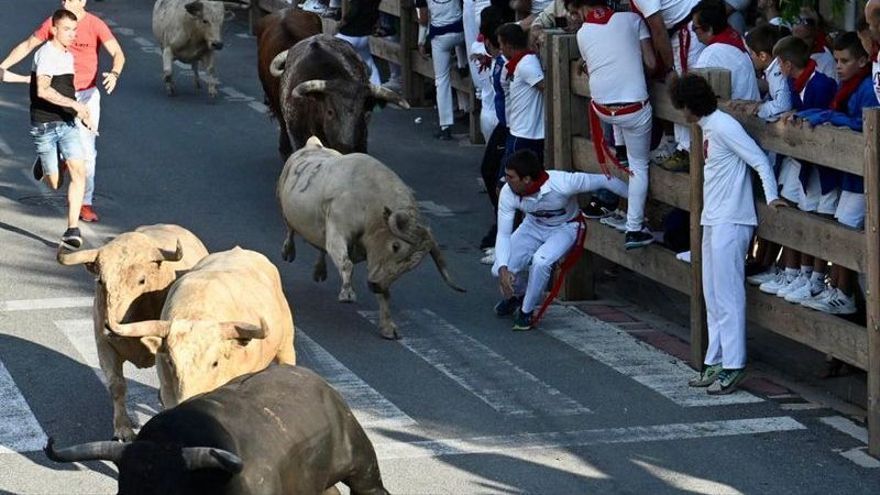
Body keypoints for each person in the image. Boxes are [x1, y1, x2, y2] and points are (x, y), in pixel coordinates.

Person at [670, 74, 786, 395]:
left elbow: (759, 160)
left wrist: (772, 196)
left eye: (682, 107)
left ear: (691, 106)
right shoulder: (709, 126)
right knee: (712, 292)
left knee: (729, 293)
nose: (682, 114)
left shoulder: (723, 126)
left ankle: (734, 364)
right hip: (714, 219)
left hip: (733, 220)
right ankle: (715, 360)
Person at [1, 0, 125, 224]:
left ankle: (84, 204)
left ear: (83, 1)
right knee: (59, 165)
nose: (67, 2)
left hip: (86, 95)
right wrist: (3, 66)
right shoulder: (55, 22)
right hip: (58, 96)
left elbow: (118, 52)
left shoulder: (95, 24)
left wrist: (114, 73)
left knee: (88, 151)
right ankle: (53, 156)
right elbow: (29, 44)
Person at [492, 150, 629, 330]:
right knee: (498, 269)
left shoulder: (563, 183)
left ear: (526, 179)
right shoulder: (508, 193)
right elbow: (503, 234)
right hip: (532, 225)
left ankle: (526, 312)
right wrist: (503, 269)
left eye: (510, 176)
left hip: (565, 227)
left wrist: (636, 202)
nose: (505, 180)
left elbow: (605, 180)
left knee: (541, 262)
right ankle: (518, 296)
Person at [794, 32, 879, 314]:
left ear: (863, 60)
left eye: (845, 60)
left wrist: (828, 117)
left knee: (846, 233)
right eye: (837, 60)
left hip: (861, 178)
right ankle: (839, 290)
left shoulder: (867, 87)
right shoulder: (849, 86)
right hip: (850, 175)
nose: (839, 66)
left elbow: (864, 124)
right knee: (843, 233)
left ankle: (843, 293)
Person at [566, 0, 656, 250]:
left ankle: (620, 147)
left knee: (615, 112)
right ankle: (634, 228)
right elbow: (651, 63)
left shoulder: (583, 33)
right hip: (633, 109)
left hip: (602, 109)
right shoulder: (633, 21)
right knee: (640, 167)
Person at [7, 10, 93, 249]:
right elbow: (43, 91)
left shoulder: (67, 56)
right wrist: (75, 105)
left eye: (74, 30)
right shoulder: (45, 54)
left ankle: (72, 229)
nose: (72, 35)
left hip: (66, 123)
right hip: (44, 125)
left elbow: (65, 90)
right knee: (54, 183)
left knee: (79, 172)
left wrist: (81, 112)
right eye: (67, 30)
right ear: (54, 29)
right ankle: (44, 162)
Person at [629, 0, 704, 172]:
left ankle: (687, 151)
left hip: (688, 28)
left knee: (686, 88)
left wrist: (668, 67)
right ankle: (685, 148)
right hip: (689, 23)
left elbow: (658, 28)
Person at [416, 0, 468, 140]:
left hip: (440, 35)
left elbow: (423, 19)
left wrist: (420, 41)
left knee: (441, 79)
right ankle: (463, 64)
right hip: (460, 31)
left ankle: (445, 126)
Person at [691, 0, 760, 102]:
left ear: (709, 29)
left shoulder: (711, 54)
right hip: (749, 106)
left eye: (694, 27)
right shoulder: (737, 37)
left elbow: (695, 97)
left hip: (737, 114)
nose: (693, 31)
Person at [497, 23, 545, 164]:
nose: (500, 48)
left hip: (526, 135)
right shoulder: (521, 62)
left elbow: (546, 89)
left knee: (510, 181)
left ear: (509, 45)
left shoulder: (526, 64)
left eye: (501, 44)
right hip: (521, 131)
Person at [336, 0, 382, 85]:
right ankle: (377, 86)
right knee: (369, 63)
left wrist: (344, 20)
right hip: (363, 36)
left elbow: (355, 10)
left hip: (347, 35)